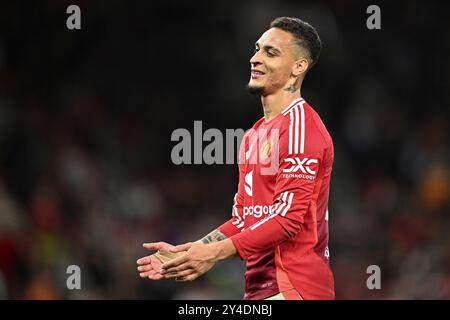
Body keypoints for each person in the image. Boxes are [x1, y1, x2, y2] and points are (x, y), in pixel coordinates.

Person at [137, 17, 335, 300]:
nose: (255, 58)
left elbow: (287, 219)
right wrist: (194, 250)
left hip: (296, 286)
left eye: (271, 52)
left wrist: (212, 254)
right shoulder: (254, 135)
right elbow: (244, 220)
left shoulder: (302, 127)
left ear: (298, 67)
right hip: (260, 291)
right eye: (257, 49)